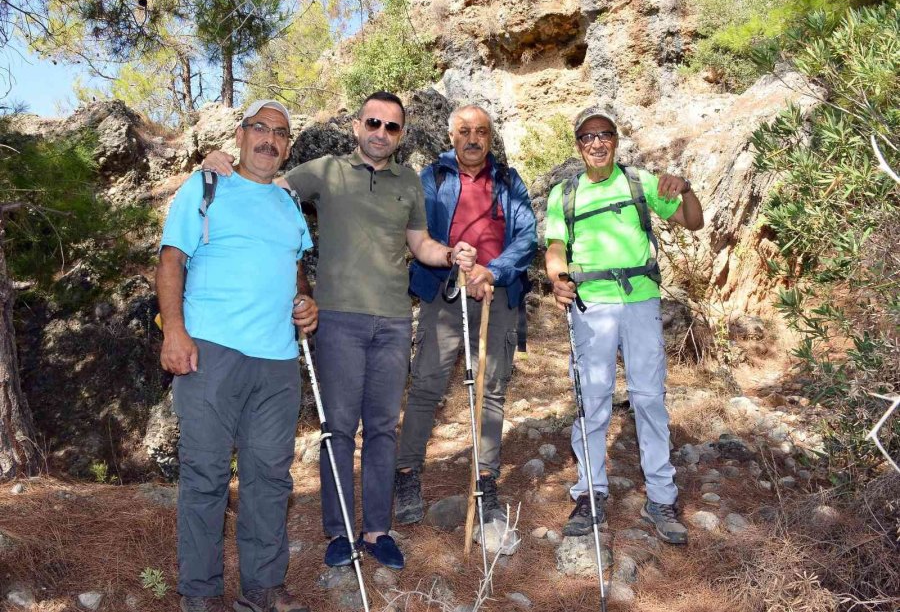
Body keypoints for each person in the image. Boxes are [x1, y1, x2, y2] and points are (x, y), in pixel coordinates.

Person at [200, 91, 476, 571]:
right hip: (337, 321)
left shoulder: (408, 182)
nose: (381, 133)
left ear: (401, 135)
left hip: (393, 320)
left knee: (383, 429)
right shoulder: (325, 171)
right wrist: (219, 161)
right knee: (339, 429)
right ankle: (341, 532)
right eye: (373, 122)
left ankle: (377, 530)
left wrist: (451, 254)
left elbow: (420, 244)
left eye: (392, 127)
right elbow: (266, 184)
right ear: (356, 125)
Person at [158, 99, 318, 612]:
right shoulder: (206, 187)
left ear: (287, 147)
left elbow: (295, 270)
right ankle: (200, 594)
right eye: (260, 128)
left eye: (281, 133)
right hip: (211, 353)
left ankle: (263, 588)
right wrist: (174, 332)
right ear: (241, 135)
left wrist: (306, 301)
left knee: (270, 478)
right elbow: (171, 260)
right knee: (205, 475)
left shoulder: (289, 202)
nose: (270, 139)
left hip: (277, 361)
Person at [543, 106, 704, 545]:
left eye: (604, 134)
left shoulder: (641, 183)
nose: (596, 143)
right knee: (592, 400)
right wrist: (558, 278)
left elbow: (693, 221)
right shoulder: (564, 193)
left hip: (640, 302)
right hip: (590, 304)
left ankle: (661, 498)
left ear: (615, 140)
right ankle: (590, 493)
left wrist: (686, 188)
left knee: (649, 397)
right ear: (578, 145)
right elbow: (556, 248)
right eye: (587, 136)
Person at [393, 104, 536, 526]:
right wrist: (458, 264)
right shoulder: (432, 178)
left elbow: (527, 236)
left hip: (497, 295)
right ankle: (406, 475)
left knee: (492, 391)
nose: (473, 139)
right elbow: (418, 233)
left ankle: (485, 480)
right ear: (451, 136)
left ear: (490, 137)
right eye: (464, 131)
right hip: (444, 293)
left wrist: (492, 271)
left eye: (481, 132)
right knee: (426, 387)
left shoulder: (508, 181)